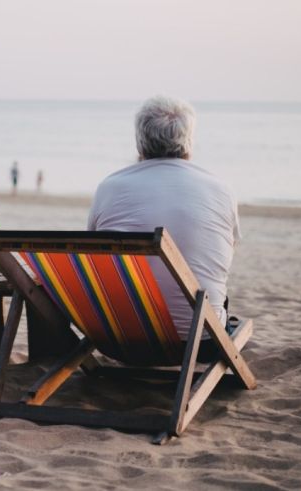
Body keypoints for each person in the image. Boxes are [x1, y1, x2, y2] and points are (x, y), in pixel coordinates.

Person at [87, 96, 241, 361]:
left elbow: (92, 254)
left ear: (139, 141)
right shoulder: (220, 190)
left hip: (119, 341)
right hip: (199, 343)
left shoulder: (109, 188)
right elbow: (227, 252)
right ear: (189, 141)